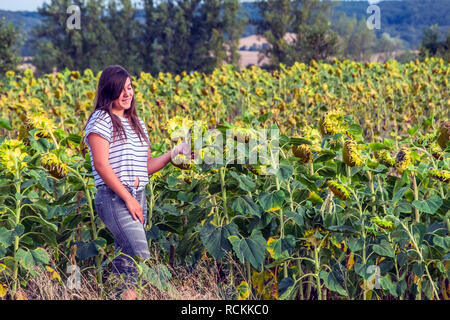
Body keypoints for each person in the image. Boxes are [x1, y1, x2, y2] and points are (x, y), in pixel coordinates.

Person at [82, 65, 190, 300]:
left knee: (128, 266)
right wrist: (128, 198)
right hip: (115, 198)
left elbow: (146, 166)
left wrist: (173, 153)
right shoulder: (100, 120)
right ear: (108, 92)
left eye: (129, 88)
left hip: (138, 195)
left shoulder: (136, 123)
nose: (127, 94)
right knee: (141, 255)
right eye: (120, 89)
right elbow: (101, 165)